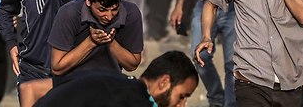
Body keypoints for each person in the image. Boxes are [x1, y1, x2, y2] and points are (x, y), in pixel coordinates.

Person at [49, 0, 143, 83]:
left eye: (114, 9)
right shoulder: (69, 13)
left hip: (110, 83)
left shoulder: (130, 13)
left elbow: (132, 65)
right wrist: (91, 42)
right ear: (88, 1)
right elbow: (57, 68)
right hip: (72, 83)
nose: (109, 16)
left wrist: (110, 42)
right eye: (102, 10)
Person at [36, 50, 198, 107]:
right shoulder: (135, 100)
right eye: (181, 97)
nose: (181, 106)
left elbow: (29, 88)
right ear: (164, 82)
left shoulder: (111, 81)